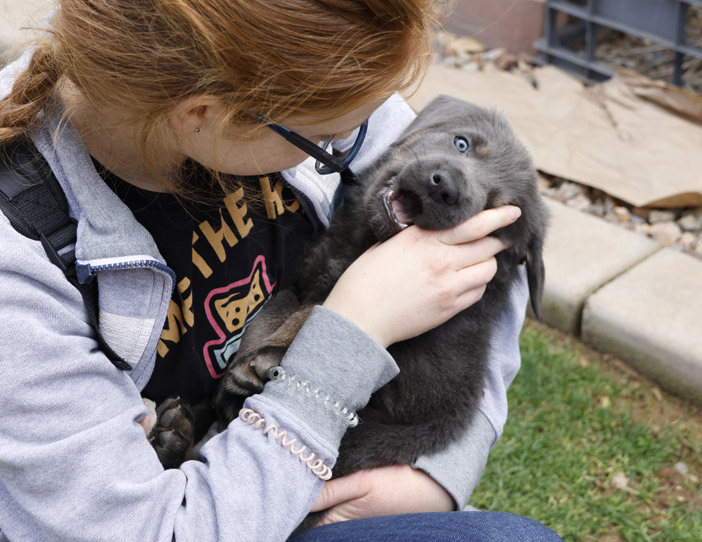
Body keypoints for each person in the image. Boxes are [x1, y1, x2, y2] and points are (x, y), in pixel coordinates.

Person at [0, 0, 562, 540]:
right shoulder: (18, 282)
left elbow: (488, 254)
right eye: (324, 142)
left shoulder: (282, 78)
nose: (350, 143)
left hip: (294, 473)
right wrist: (354, 329)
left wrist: (438, 473)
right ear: (204, 116)